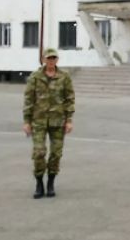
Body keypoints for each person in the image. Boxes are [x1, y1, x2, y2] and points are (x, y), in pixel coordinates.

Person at [23, 48, 75, 199]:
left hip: (58, 121)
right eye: (49, 58)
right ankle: (39, 183)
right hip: (38, 121)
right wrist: (27, 121)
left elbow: (69, 99)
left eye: (54, 58)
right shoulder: (35, 77)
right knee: (39, 153)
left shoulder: (64, 77)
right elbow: (28, 100)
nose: (51, 61)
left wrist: (69, 120)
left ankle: (51, 182)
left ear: (57, 60)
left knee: (56, 154)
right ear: (44, 59)